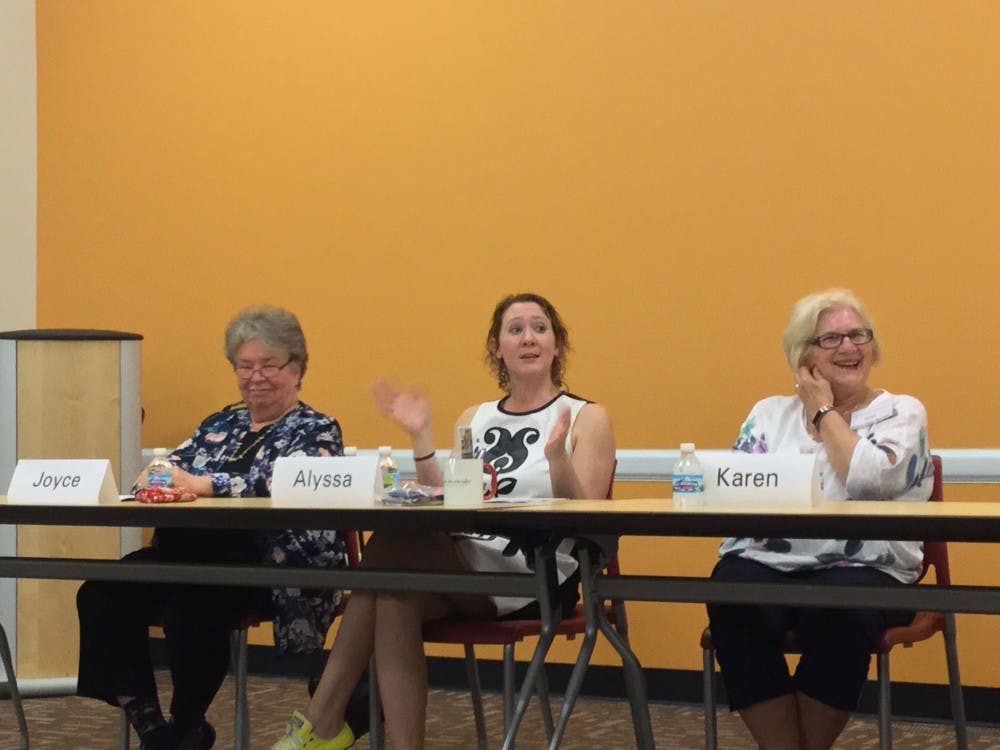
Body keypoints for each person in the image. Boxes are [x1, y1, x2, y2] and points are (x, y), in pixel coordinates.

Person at [271, 292, 616, 750]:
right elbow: (451, 499)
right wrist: (420, 436)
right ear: (497, 348)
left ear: (557, 344)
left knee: (389, 549)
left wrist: (556, 457)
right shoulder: (476, 417)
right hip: (464, 559)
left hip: (537, 571)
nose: (528, 338)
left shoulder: (587, 417)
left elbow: (589, 513)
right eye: (515, 330)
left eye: (539, 328)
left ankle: (323, 717)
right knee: (394, 596)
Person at [76, 305, 347, 750]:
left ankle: (187, 723)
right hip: (184, 550)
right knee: (101, 593)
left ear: (297, 368)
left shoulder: (315, 429)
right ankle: (152, 726)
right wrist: (156, 475)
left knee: (192, 605)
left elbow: (279, 480)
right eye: (245, 366)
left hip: (262, 561)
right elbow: (172, 465)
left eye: (269, 365)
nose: (255, 376)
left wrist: (201, 483)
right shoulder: (220, 423)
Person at [706, 288, 934, 750]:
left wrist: (823, 410)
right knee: (730, 595)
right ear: (802, 355)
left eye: (858, 335)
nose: (849, 347)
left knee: (842, 610)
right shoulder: (769, 414)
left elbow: (869, 479)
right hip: (768, 562)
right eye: (830, 339)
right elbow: (735, 491)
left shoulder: (901, 413)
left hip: (870, 569)